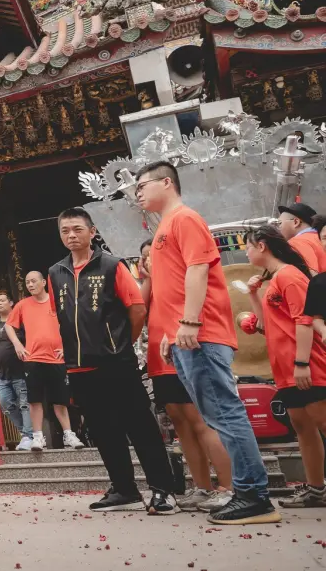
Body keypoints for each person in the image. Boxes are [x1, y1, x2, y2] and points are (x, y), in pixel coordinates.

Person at [135, 161, 279, 525]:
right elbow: (174, 283)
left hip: (202, 334)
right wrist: (170, 330)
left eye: (143, 185)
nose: (138, 193)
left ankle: (253, 496)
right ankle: (247, 493)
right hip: (186, 336)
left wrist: (189, 321)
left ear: (166, 183)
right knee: (217, 414)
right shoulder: (165, 226)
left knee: (224, 413)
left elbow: (198, 269)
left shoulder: (184, 218)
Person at [49, 207, 176, 514]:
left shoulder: (111, 265)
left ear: (92, 232)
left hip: (116, 363)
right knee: (103, 431)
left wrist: (119, 345)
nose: (71, 235)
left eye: (78, 229)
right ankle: (124, 489)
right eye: (65, 230)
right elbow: (60, 317)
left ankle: (163, 490)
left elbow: (136, 310)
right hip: (80, 366)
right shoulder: (56, 273)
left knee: (140, 426)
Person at [139, 238, 233, 513]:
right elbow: (140, 308)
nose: (148, 260)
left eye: (152, 255)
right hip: (160, 360)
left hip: (184, 352)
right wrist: (149, 278)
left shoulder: (182, 279)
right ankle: (202, 487)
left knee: (202, 422)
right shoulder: (154, 285)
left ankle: (228, 488)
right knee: (181, 425)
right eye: (144, 257)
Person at [243, 224, 326, 508]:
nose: (246, 251)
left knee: (322, 421)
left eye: (248, 246)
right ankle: (317, 489)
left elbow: (305, 320)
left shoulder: (290, 276)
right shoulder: (275, 279)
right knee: (302, 426)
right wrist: (254, 295)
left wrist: (302, 363)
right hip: (286, 369)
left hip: (305, 364)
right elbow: (266, 327)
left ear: (262, 245)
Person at [4, 271, 85, 451]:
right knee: (34, 400)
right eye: (27, 282)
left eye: (33, 281)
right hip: (32, 359)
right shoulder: (23, 305)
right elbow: (8, 325)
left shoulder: (57, 302)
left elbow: (73, 325)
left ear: (43, 282)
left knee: (60, 400)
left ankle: (68, 434)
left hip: (56, 359)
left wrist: (66, 347)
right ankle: (38, 437)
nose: (30, 285)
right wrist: (18, 344)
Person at [0, 290, 33, 450]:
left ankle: (28, 436)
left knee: (24, 404)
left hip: (20, 370)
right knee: (5, 404)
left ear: (11, 303)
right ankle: (27, 433)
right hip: (2, 373)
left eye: (2, 300)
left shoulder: (20, 321)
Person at [279, 202, 326, 274]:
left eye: (279, 223)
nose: (277, 227)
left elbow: (311, 276)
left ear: (296, 222)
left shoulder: (297, 242)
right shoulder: (319, 237)